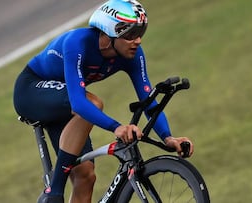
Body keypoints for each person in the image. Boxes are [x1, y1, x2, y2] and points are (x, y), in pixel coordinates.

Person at [13, 0, 194, 202]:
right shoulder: (77, 43)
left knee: (86, 176)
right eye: (130, 34)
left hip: (65, 102)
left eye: (140, 34)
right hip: (32, 90)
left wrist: (168, 138)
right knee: (93, 102)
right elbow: (79, 103)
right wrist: (116, 127)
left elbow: (148, 99)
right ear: (109, 34)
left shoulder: (132, 56)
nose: (138, 41)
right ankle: (53, 193)